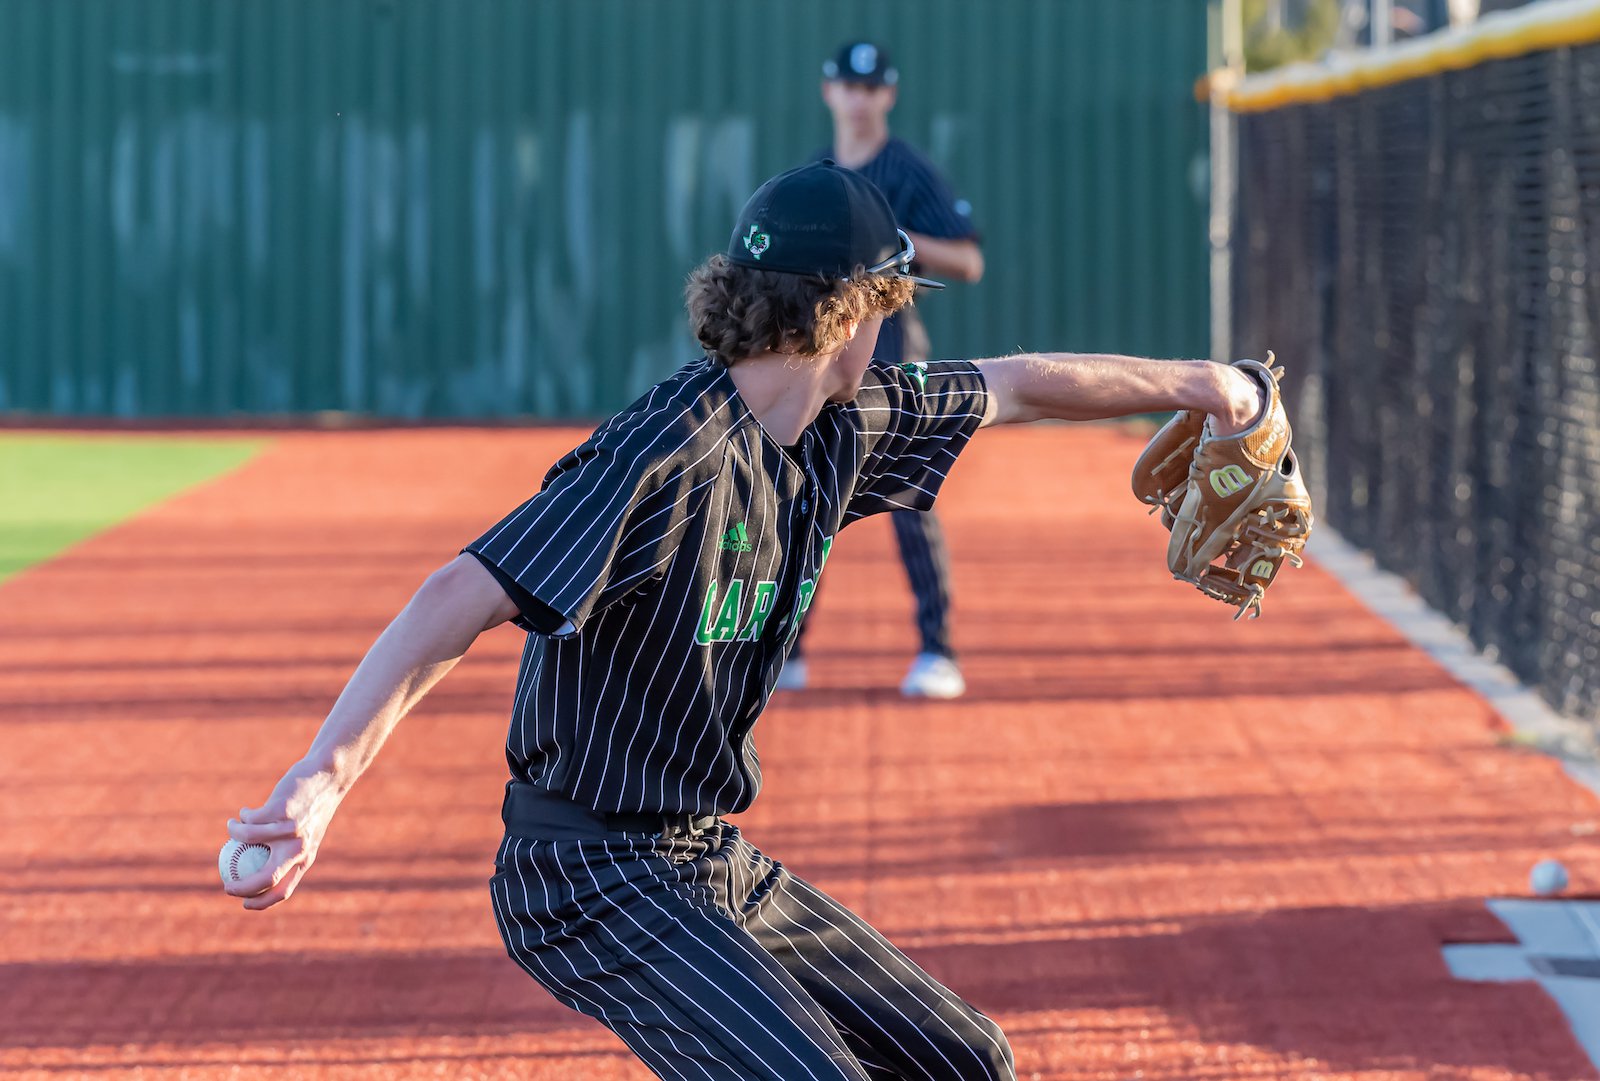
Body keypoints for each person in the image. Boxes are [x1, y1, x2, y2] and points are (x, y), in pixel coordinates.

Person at [222, 161, 1267, 1081]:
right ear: (853, 311)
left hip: (701, 857)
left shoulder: (836, 430)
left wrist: (1212, 387)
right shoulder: (666, 452)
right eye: (891, 300)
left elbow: (1017, 386)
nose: (896, 325)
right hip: (585, 871)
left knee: (964, 1060)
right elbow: (459, 591)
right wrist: (319, 781)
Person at [779, 40, 986, 699]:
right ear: (829, 92)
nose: (859, 99)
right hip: (821, 358)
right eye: (848, 86)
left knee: (905, 498)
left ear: (887, 96)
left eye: (871, 88)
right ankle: (787, 650)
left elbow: (969, 262)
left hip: (894, 354)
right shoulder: (814, 175)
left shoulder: (910, 171)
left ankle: (937, 649)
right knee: (806, 497)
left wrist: (903, 242)